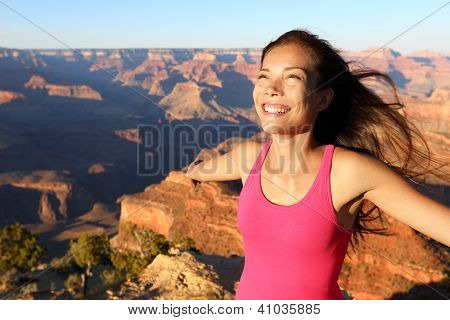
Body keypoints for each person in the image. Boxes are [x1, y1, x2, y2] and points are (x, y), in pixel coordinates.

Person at [185, 29, 450, 300]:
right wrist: (192, 173)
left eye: (292, 78)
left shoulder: (347, 171)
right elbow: (205, 170)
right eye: (264, 76)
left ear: (322, 98)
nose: (271, 88)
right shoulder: (248, 157)